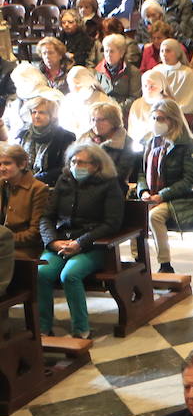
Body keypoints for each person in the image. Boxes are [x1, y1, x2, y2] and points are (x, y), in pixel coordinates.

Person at [36, 144, 123, 338]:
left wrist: (80, 243)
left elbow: (112, 223)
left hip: (93, 245)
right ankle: (42, 327)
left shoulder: (109, 184)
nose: (76, 166)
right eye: (73, 161)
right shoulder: (64, 180)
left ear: (96, 165)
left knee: (70, 275)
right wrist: (51, 242)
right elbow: (46, 217)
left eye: (82, 162)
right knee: (41, 273)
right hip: (61, 243)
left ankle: (81, 330)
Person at [137, 101, 193, 274]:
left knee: (154, 216)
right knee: (131, 211)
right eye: (154, 118)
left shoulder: (187, 145)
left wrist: (162, 196)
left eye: (160, 118)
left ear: (172, 120)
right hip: (151, 195)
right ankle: (138, 262)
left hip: (179, 199)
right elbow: (141, 173)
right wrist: (143, 191)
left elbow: (190, 180)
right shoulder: (151, 142)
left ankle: (165, 264)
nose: (156, 122)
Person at [16, 88, 75, 188]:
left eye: (42, 112)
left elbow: (65, 167)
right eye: (34, 112)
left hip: (50, 186)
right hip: (23, 184)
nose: (36, 116)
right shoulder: (25, 134)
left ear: (52, 115)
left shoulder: (65, 137)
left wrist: (36, 179)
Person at [0, 144, 48, 259]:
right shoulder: (2, 185)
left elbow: (35, 233)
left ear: (22, 164)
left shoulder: (38, 189)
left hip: (24, 248)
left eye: (7, 163)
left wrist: (4, 240)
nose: (1, 168)